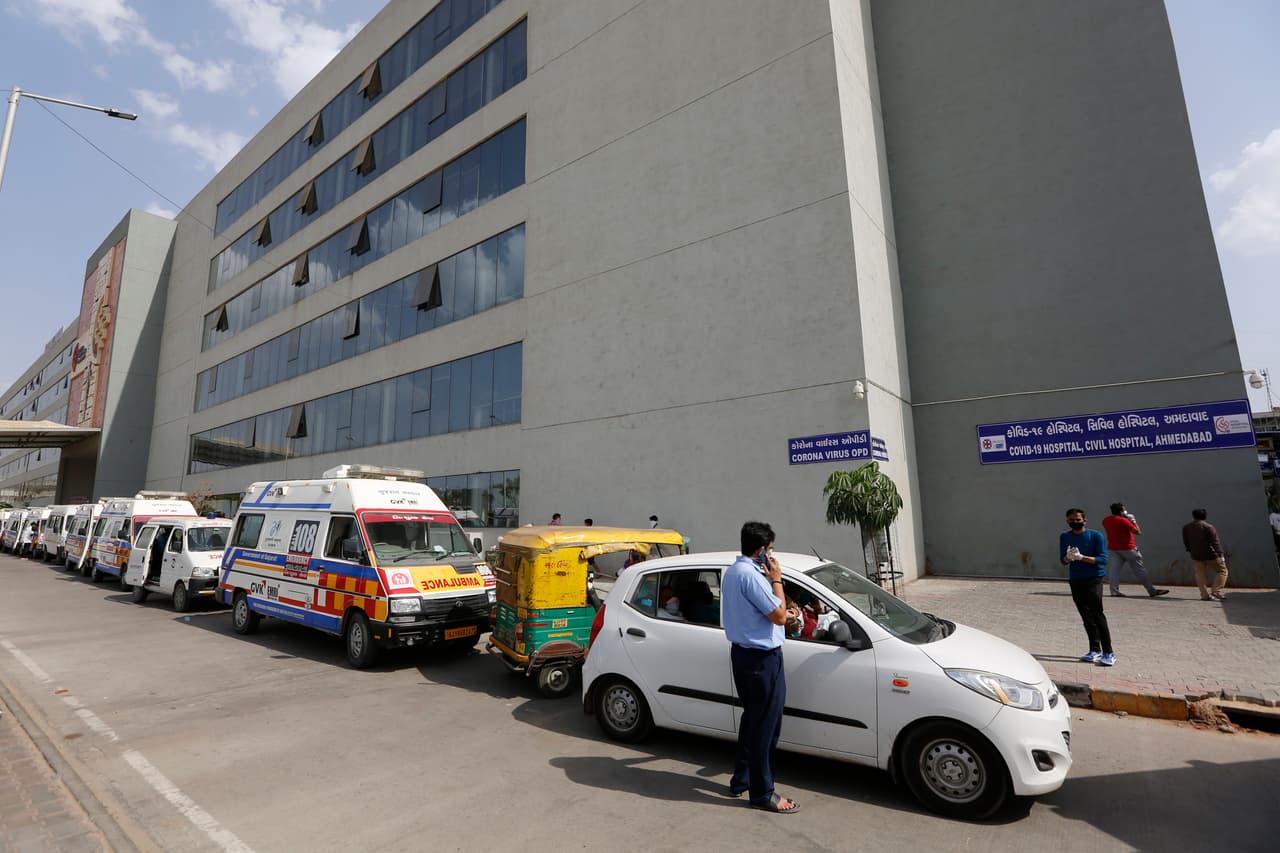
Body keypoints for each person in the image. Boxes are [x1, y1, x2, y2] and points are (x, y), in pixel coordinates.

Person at [722, 520, 798, 814]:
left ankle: (741, 780)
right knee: (766, 727)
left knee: (753, 721)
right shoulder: (752, 577)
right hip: (761, 660)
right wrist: (776, 579)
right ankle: (762, 792)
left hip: (745, 656)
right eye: (771, 549)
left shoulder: (735, 572)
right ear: (762, 551)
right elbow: (779, 616)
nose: (773, 556)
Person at [1060, 508, 1115, 666]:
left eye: (1078, 520)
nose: (1075, 522)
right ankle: (1094, 650)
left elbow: (1103, 559)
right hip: (1076, 579)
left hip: (1094, 579)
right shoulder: (1065, 536)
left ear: (1085, 520)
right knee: (1086, 616)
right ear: (1067, 521)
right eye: (1071, 520)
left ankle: (1109, 652)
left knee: (1097, 615)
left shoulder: (1095, 536)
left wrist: (1082, 557)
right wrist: (1069, 558)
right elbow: (1062, 561)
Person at [1101, 503, 1168, 598]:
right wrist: (1133, 521)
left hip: (1113, 548)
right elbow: (1138, 531)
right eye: (1124, 510)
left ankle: (1114, 591)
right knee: (1140, 570)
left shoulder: (1106, 520)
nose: (1126, 511)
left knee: (1114, 571)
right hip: (1128, 548)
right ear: (1121, 511)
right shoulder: (1123, 520)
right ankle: (1151, 590)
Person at [1183, 508, 1228, 601]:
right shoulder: (1208, 527)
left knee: (1200, 574)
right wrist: (1221, 555)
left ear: (1193, 516)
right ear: (1205, 516)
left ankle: (1204, 595)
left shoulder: (1186, 527)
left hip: (1196, 554)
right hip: (1210, 554)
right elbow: (1215, 542)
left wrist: (1190, 550)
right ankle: (1216, 590)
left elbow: (1186, 541)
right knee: (1222, 571)